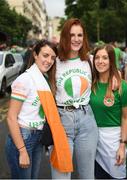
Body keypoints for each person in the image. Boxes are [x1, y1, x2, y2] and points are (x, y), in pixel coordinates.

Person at [5, 39, 72, 179]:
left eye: (53, 58)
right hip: (24, 137)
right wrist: (22, 151)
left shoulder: (43, 79)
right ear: (35, 55)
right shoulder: (25, 79)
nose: (49, 61)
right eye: (45, 55)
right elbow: (11, 117)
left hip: (37, 137)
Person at [50, 18, 98, 179]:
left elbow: (110, 72)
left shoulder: (90, 61)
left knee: (87, 176)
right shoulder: (54, 62)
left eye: (80, 35)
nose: (76, 39)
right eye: (72, 35)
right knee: (61, 175)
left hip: (86, 120)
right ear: (65, 37)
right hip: (62, 121)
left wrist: (116, 77)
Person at [89, 44, 127, 179]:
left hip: (113, 141)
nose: (100, 61)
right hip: (92, 140)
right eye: (97, 57)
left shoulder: (123, 87)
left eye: (105, 58)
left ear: (111, 61)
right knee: (98, 176)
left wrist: (122, 145)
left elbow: (126, 118)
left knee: (117, 175)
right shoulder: (89, 84)